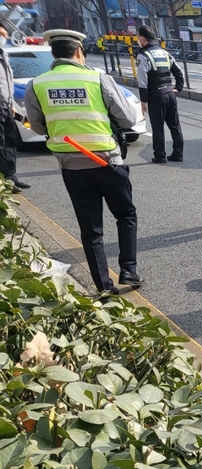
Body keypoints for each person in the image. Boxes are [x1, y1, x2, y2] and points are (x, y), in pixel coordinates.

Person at [24, 29, 141, 295]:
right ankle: (129, 270)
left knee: (91, 230)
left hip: (72, 167)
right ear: (78, 51)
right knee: (126, 215)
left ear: (54, 54)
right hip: (107, 162)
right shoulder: (98, 78)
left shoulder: (38, 83)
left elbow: (39, 126)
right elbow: (126, 119)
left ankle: (103, 287)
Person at [135, 25, 184, 163]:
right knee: (175, 126)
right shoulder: (164, 52)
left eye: (138, 36)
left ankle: (160, 155)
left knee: (157, 127)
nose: (137, 39)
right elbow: (179, 72)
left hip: (156, 96)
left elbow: (143, 80)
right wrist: (178, 88)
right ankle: (178, 153)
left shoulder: (143, 55)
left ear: (143, 38)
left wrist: (143, 100)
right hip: (170, 93)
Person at [0, 26, 29, 191]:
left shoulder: (3, 54)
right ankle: (5, 179)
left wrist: (10, 104)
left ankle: (11, 175)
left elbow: (6, 84)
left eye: (4, 34)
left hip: (5, 105)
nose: (4, 37)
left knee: (10, 140)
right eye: (1, 34)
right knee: (1, 143)